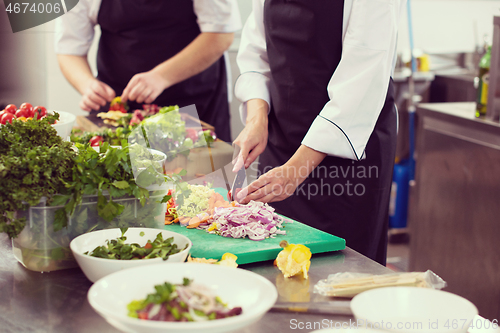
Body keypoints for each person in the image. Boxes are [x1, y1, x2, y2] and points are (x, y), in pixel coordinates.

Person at [233, 0, 406, 265]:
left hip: (348, 158)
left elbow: (360, 85)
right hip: (281, 143)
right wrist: (257, 119)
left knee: (337, 272)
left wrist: (296, 169)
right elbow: (256, 52)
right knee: (270, 259)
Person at [55, 0, 241, 142]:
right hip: (119, 111)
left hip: (195, 102)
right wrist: (87, 85)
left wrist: (162, 76)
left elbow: (220, 35)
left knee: (199, 186)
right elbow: (70, 50)